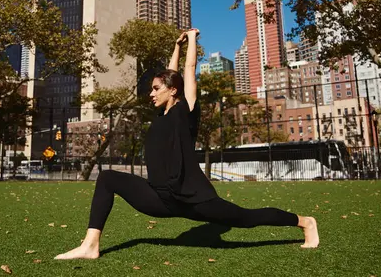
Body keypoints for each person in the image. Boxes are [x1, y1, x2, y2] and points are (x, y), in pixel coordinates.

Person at [54, 28, 319, 260]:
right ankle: (90, 245)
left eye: (156, 89)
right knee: (108, 179)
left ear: (172, 90)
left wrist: (191, 39)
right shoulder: (162, 114)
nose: (151, 93)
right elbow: (172, 74)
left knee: (246, 219)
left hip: (193, 199)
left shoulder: (186, 111)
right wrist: (176, 46)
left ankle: (304, 222)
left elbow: (187, 72)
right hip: (160, 197)